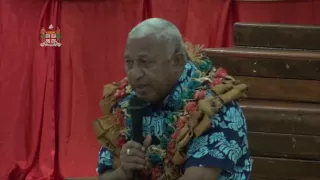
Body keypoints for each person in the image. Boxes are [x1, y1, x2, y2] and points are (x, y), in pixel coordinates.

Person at [93, 18, 252, 180]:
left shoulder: (212, 108)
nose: (134, 74)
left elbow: (198, 177)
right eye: (129, 62)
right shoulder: (126, 103)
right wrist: (123, 172)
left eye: (145, 62)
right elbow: (104, 176)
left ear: (177, 61)